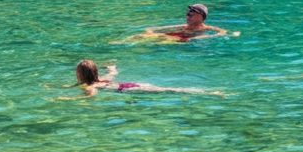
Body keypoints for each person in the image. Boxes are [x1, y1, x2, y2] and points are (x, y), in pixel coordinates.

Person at [71, 60, 226, 97]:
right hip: (131, 85)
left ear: (80, 74)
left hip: (132, 90)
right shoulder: (100, 80)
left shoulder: (91, 86)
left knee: (170, 91)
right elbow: (113, 74)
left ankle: (209, 93)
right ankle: (207, 92)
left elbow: (90, 96)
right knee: (168, 90)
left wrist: (69, 99)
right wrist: (112, 67)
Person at [118, 4, 233, 43]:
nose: (188, 14)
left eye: (192, 13)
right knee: (143, 35)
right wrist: (152, 30)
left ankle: (123, 44)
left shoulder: (206, 28)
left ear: (201, 16)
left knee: (161, 39)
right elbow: (161, 28)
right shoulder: (183, 26)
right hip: (178, 36)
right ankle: (119, 43)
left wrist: (194, 40)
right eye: (188, 13)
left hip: (183, 39)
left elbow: (222, 32)